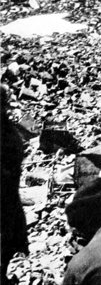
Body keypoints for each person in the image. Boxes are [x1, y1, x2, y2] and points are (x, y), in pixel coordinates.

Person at [1, 85, 29, 285]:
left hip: (6, 198)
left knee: (6, 239)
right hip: (8, 199)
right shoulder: (9, 130)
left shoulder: (8, 133)